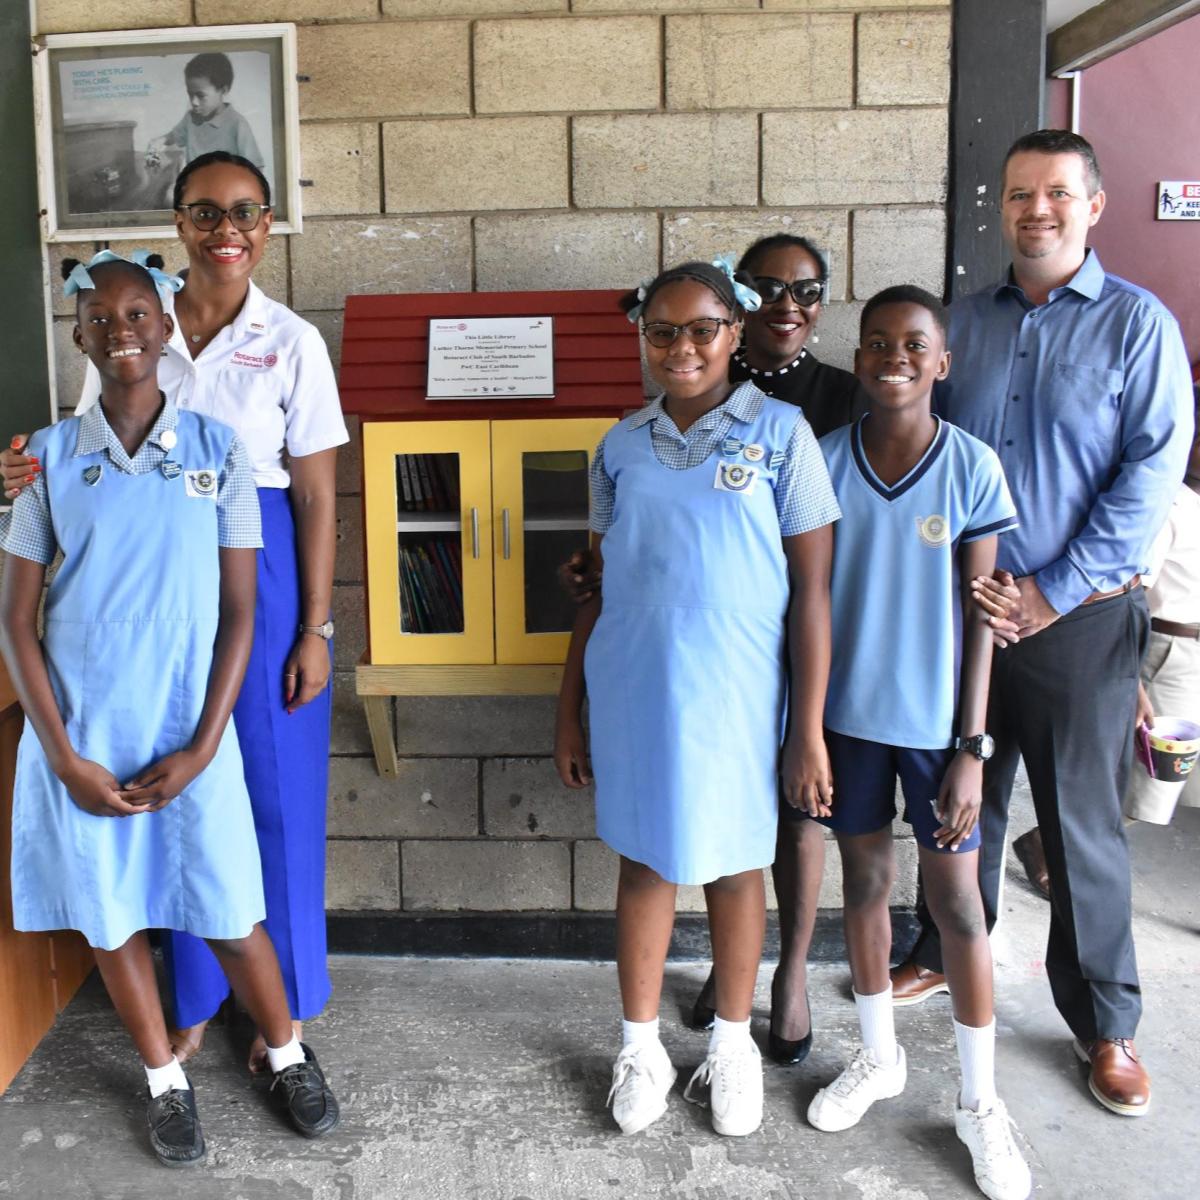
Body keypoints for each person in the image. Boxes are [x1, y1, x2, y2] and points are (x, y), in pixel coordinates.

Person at [3, 150, 347, 1073]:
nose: (226, 230)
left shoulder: (292, 341)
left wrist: (315, 626)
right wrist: (17, 475)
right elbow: (71, 459)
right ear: (180, 223)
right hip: (150, 581)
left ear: (270, 223)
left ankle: (286, 1011)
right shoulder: (131, 322)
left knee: (271, 798)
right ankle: (194, 997)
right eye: (205, 212)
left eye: (246, 212)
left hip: (256, 575)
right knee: (171, 780)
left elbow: (315, 497)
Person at [889, 130, 1193, 1119]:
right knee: (952, 802)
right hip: (961, 614)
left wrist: (1051, 591)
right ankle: (942, 950)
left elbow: (1148, 478)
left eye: (1058, 193)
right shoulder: (960, 326)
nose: (1038, 210)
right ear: (1002, 205)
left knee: (1080, 830)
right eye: (1021, 193)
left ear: (1095, 205)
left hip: (1078, 619)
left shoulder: (1139, 328)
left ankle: (1107, 1024)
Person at [554, 259, 840, 1137]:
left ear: (736, 331)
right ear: (642, 336)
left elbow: (814, 592)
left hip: (740, 687)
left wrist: (811, 732)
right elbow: (596, 583)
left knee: (734, 863)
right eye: (662, 331)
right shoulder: (619, 445)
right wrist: (570, 707)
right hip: (638, 680)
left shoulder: (784, 436)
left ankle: (730, 1044)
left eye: (702, 329)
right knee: (644, 859)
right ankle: (639, 1046)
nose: (682, 347)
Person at [802, 286, 1030, 1200]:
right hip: (848, 724)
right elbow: (806, 604)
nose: (893, 355)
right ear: (858, 359)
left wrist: (973, 744)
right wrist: (807, 729)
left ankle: (979, 1102)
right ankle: (877, 1056)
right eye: (876, 342)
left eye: (914, 344)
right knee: (862, 887)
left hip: (940, 732)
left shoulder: (970, 467)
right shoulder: (823, 463)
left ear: (943, 362)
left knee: (959, 906)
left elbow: (983, 619)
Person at [150, 52, 264, 168]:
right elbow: (175, 136)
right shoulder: (190, 118)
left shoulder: (237, 124)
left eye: (201, 96)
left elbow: (256, 167)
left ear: (223, 90)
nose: (194, 102)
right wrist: (161, 140)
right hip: (195, 182)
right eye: (190, 94)